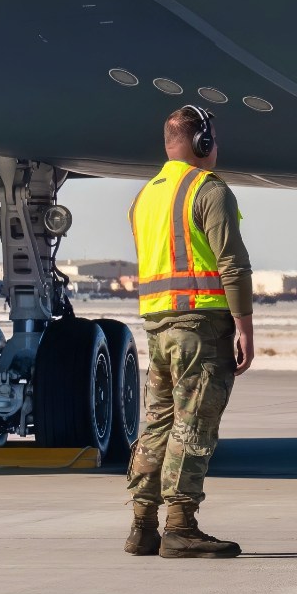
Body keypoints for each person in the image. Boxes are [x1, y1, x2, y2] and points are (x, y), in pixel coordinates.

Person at [123, 105, 255, 558]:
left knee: (157, 425)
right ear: (203, 142)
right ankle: (180, 526)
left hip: (158, 327)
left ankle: (142, 525)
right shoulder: (208, 190)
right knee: (193, 424)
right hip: (200, 326)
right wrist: (244, 327)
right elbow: (232, 264)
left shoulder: (145, 196)